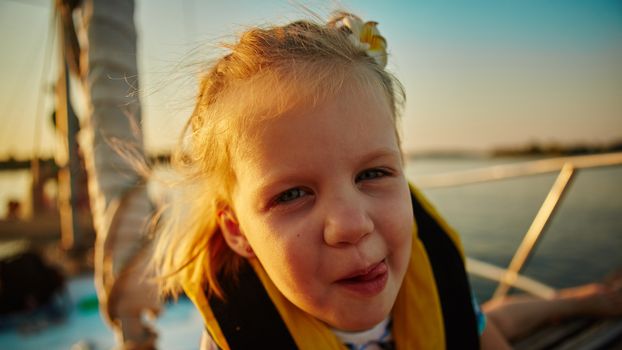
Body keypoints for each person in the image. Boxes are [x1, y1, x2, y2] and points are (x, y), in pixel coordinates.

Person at [151, 12, 622, 349]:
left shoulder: (429, 265)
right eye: (292, 194)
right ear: (236, 230)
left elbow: (474, 332)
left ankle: (581, 300)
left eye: (372, 174)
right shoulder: (238, 337)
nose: (352, 225)